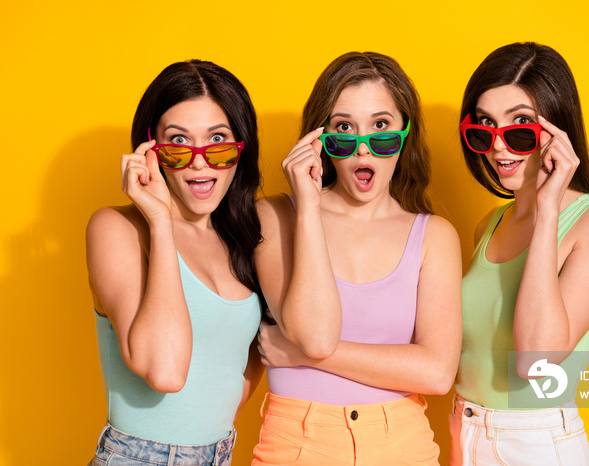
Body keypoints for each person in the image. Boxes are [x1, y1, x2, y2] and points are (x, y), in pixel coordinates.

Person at [253, 51, 462, 465]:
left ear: (405, 133)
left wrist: (300, 355)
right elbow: (313, 332)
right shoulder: (275, 217)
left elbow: (437, 372)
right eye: (344, 129)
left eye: (381, 128)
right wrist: (309, 207)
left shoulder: (434, 236)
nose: (363, 149)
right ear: (319, 139)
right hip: (296, 445)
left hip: (402, 445)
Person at [450, 42, 589, 465]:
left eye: (520, 125)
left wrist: (547, 208)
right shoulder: (490, 224)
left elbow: (536, 359)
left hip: (534, 443)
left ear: (558, 130)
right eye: (485, 126)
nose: (499, 147)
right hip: (465, 432)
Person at [86, 59, 263, 465]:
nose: (200, 161)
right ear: (151, 149)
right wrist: (161, 221)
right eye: (178, 142)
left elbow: (252, 353)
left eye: (218, 140)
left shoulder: (243, 236)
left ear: (241, 146)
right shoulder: (118, 228)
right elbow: (165, 372)